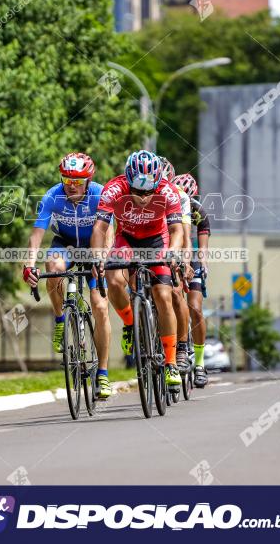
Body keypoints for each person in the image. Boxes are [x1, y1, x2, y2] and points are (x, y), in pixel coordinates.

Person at [23, 152, 113, 399]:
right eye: (67, 180)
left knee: (100, 307)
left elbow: (108, 233)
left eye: (78, 182)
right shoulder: (52, 196)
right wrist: (29, 266)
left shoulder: (99, 194)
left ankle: (103, 374)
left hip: (93, 247)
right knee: (52, 267)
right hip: (65, 244)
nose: (72, 186)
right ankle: (61, 319)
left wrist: (101, 260)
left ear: (88, 179)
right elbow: (36, 235)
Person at [91, 150, 184, 388]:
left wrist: (172, 252)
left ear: (157, 182)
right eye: (138, 191)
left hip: (156, 240)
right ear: (128, 181)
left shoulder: (167, 191)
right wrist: (98, 257)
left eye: (148, 191)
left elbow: (176, 230)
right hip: (127, 239)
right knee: (113, 280)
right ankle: (130, 323)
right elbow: (100, 229)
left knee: (164, 295)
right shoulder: (114, 188)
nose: (143, 197)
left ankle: (171, 363)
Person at [173, 173, 211, 388]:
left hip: (192, 257)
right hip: (173, 255)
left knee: (195, 307)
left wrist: (203, 265)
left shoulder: (198, 211)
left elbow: (202, 247)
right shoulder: (167, 204)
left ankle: (199, 364)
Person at [158, 156, 195, 374]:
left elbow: (186, 236)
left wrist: (186, 262)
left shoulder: (179, 197)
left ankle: (181, 347)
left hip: (174, 241)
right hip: (151, 241)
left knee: (175, 290)